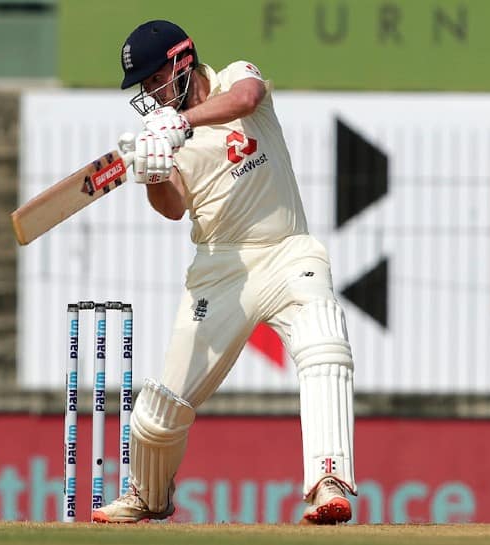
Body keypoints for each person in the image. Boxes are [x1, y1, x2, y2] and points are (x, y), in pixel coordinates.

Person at [92, 20, 356, 525]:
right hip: (220, 267)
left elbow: (247, 98)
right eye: (143, 87)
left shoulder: (235, 75)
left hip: (287, 251)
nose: (151, 93)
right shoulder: (164, 134)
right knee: (159, 411)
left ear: (183, 60)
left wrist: (184, 122)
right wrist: (152, 173)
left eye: (154, 79)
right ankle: (148, 494)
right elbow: (172, 207)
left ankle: (328, 481)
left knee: (325, 344)